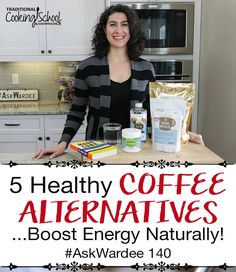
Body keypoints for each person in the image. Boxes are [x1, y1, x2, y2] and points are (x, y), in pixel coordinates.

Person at [34, 4, 203, 159]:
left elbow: (156, 112)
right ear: (104, 29)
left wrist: (183, 134)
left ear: (131, 30)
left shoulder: (146, 69)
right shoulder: (87, 68)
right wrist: (62, 143)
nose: (118, 30)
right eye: (112, 24)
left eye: (124, 24)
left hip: (137, 148)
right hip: (97, 147)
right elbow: (77, 111)